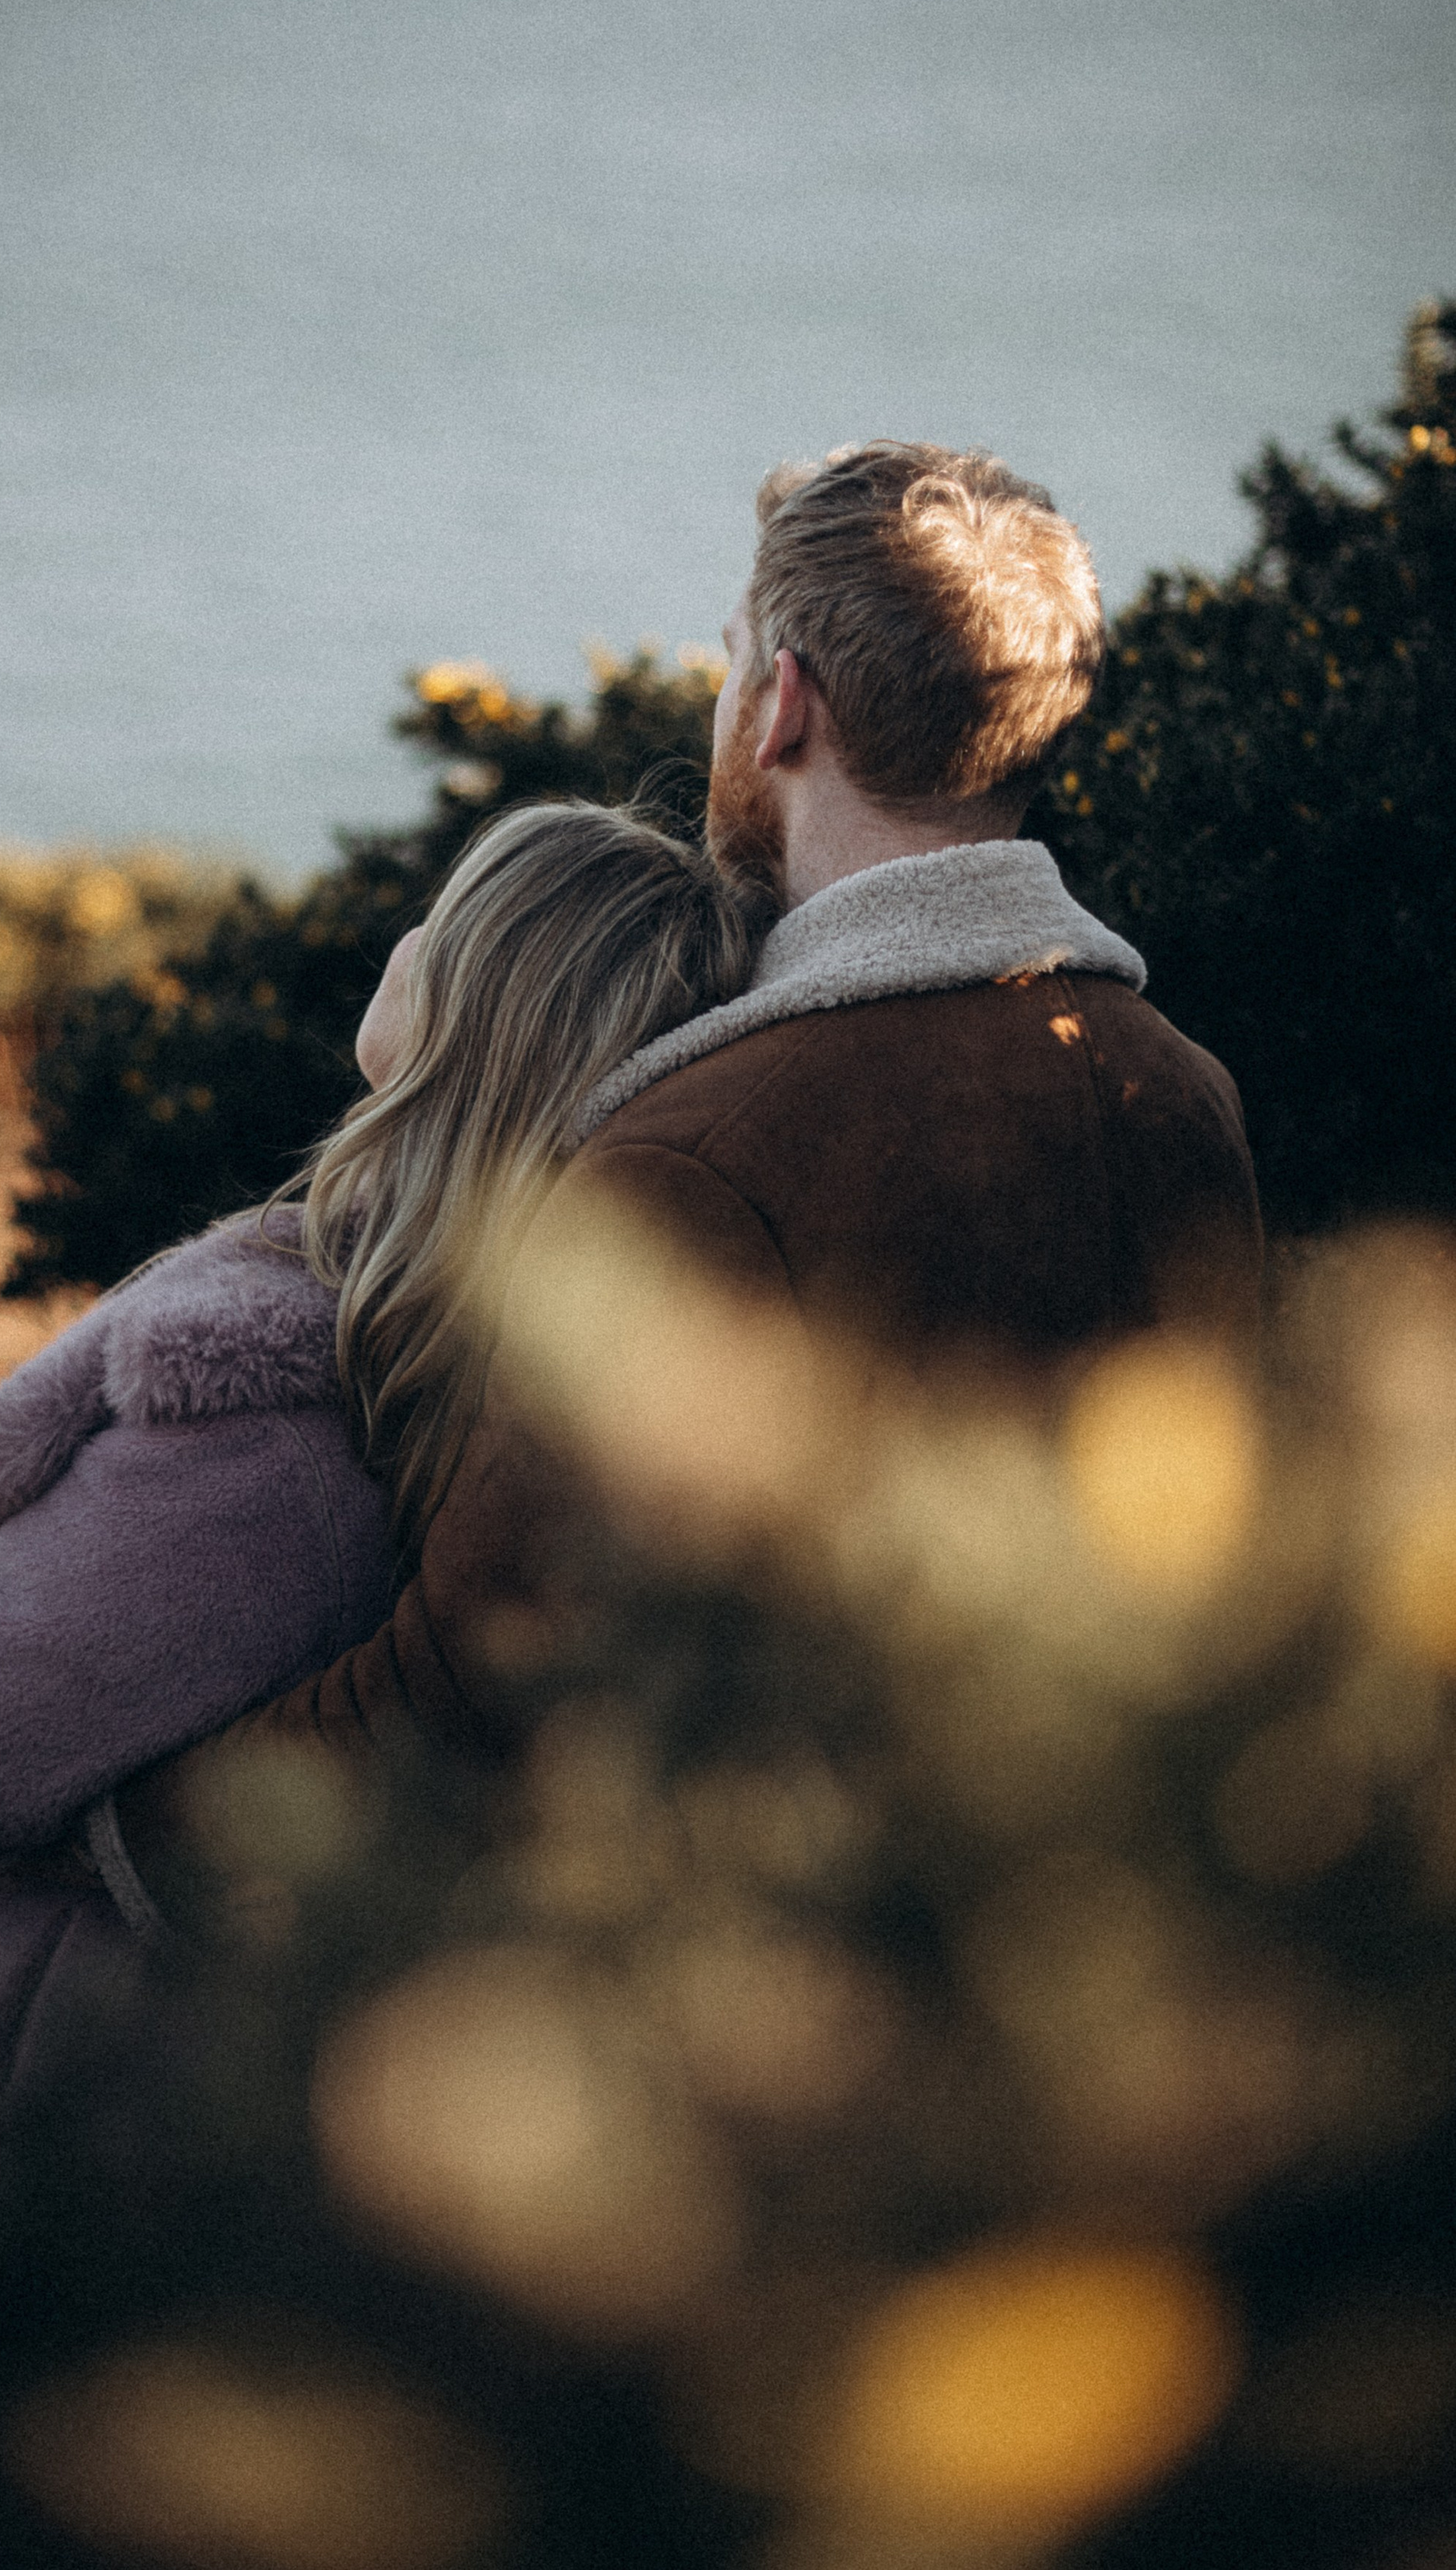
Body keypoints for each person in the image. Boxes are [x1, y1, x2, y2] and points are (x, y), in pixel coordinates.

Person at [114, 439, 1265, 1810]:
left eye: (731, 661)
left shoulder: (692, 1152)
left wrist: (119, 1832)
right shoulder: (1188, 1096)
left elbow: (468, 1686)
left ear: (784, 707)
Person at [0, 797, 763, 2126]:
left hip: (66, 2115)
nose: (405, 935)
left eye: (444, 919)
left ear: (472, 1019)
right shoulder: (467, 1381)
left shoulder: (274, 1442)